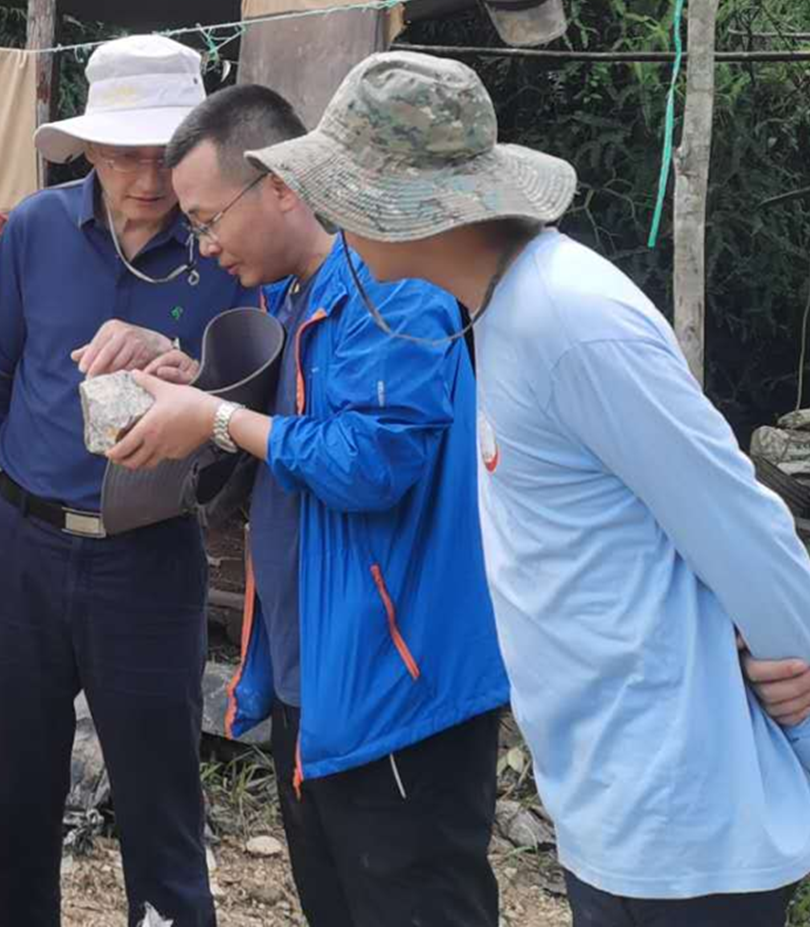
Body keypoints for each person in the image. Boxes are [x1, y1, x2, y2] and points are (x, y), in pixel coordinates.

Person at [224, 50, 810, 926]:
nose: (334, 218)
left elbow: (744, 531)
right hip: (611, 806)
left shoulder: (573, 320)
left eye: (343, 194)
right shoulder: (501, 313)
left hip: (683, 824)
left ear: (406, 208)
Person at [106, 83, 511, 925]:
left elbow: (371, 463)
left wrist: (216, 418)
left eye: (210, 219)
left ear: (283, 187)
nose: (204, 244)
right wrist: (196, 384)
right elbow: (285, 439)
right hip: (317, 687)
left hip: (399, 695)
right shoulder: (291, 301)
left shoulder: (392, 289)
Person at [0, 35, 253, 927]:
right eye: (123, 154)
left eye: (165, 155)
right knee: (18, 800)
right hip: (23, 545)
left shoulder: (225, 246)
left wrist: (180, 360)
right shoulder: (37, 228)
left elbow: (253, 408)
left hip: (148, 554)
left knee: (162, 802)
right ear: (87, 148)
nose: (147, 179)